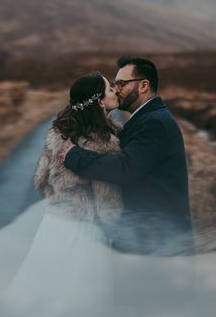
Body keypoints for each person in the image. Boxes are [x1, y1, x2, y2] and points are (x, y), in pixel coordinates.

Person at [2, 72, 123, 317]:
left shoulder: (59, 132)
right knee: (81, 303)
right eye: (110, 88)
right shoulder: (103, 142)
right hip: (86, 231)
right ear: (99, 101)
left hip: (54, 225)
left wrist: (60, 202)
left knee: (39, 293)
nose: (115, 91)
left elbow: (40, 181)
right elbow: (107, 203)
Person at [61, 56, 195, 256]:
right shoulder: (146, 118)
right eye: (114, 84)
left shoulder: (154, 123)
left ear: (143, 86)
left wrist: (75, 156)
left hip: (161, 242)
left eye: (121, 83)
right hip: (150, 237)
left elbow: (125, 169)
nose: (116, 89)